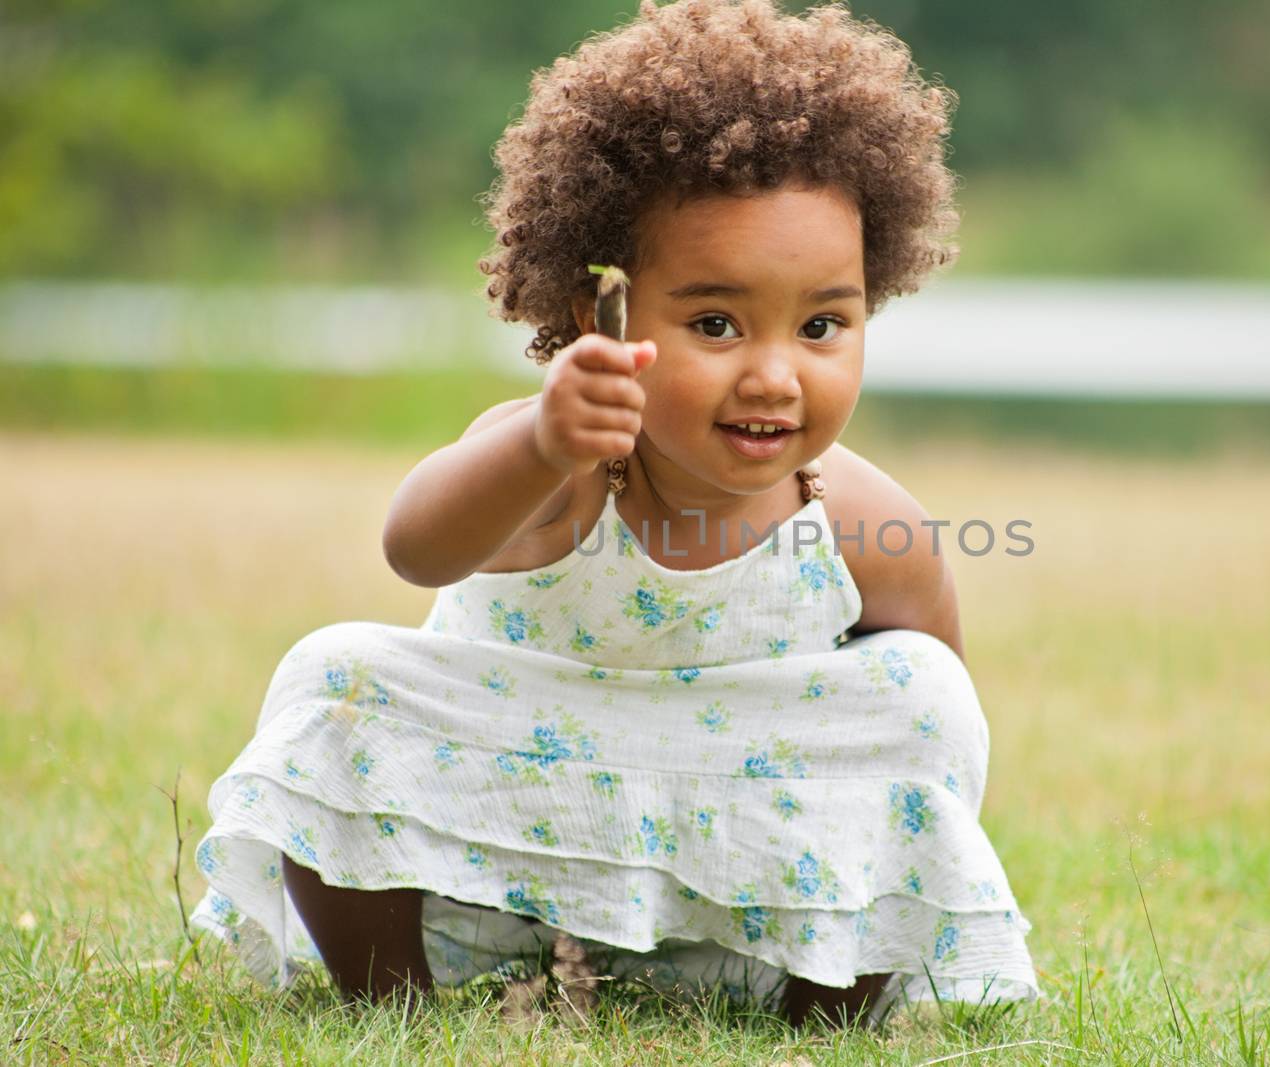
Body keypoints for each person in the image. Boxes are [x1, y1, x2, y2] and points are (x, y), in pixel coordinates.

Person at [190, 0, 1037, 1028]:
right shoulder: (568, 462)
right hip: (497, 871)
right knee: (331, 672)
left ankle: (826, 1013)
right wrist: (540, 443)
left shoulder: (850, 511)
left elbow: (930, 733)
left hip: (744, 905)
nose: (774, 374)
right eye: (715, 322)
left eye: (822, 324)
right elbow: (414, 547)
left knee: (925, 690)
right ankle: (392, 1004)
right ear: (611, 315)